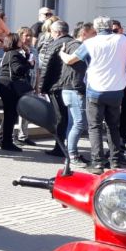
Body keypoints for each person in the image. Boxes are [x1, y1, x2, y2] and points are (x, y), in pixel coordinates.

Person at [61, 16, 126, 174]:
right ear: (110, 26)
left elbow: (71, 60)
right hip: (116, 91)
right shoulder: (122, 39)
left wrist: (61, 53)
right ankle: (115, 161)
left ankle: (98, 163)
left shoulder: (89, 43)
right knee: (113, 126)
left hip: (95, 90)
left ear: (96, 29)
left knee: (94, 127)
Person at [57, 22, 95, 167]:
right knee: (79, 123)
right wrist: (80, 88)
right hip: (74, 90)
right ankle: (72, 155)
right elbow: (74, 68)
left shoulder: (70, 45)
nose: (95, 37)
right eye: (93, 33)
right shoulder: (79, 46)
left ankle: (70, 153)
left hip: (70, 89)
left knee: (73, 123)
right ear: (84, 33)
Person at [37, 20, 73, 157]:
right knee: (67, 117)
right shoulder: (74, 42)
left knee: (60, 118)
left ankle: (59, 148)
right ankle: (67, 146)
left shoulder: (55, 44)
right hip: (69, 86)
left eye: (51, 32)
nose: (50, 34)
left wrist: (41, 87)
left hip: (56, 86)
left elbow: (46, 67)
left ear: (57, 32)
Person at [0, 33, 32, 152]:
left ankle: (1, 139)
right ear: (15, 42)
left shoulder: (9, 53)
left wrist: (27, 54)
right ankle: (7, 142)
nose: (22, 42)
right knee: (11, 115)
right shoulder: (14, 54)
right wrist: (29, 64)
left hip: (4, 85)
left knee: (8, 114)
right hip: (10, 86)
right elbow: (18, 69)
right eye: (20, 41)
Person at [14, 26, 38, 146]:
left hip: (30, 84)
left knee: (26, 112)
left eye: (30, 35)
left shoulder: (34, 50)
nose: (29, 38)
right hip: (20, 84)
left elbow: (37, 68)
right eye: (26, 35)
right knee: (17, 110)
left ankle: (24, 136)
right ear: (20, 36)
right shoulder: (17, 51)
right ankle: (15, 136)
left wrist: (37, 86)